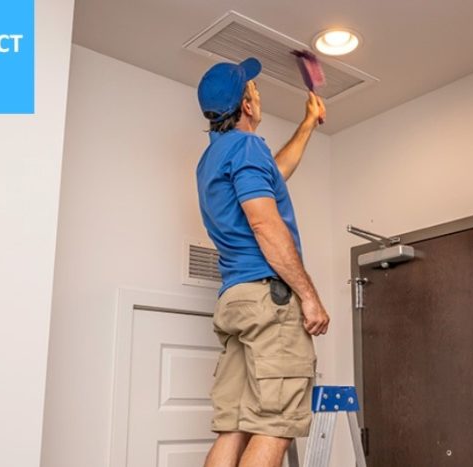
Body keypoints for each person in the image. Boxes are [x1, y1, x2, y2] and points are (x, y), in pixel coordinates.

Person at [195, 57, 330, 467]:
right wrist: (309, 295)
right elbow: (263, 221)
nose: (258, 94)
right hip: (268, 300)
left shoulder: (212, 159)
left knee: (233, 426)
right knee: (275, 425)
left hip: (236, 301)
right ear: (248, 107)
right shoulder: (249, 147)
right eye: (253, 90)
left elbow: (275, 172)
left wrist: (307, 124)